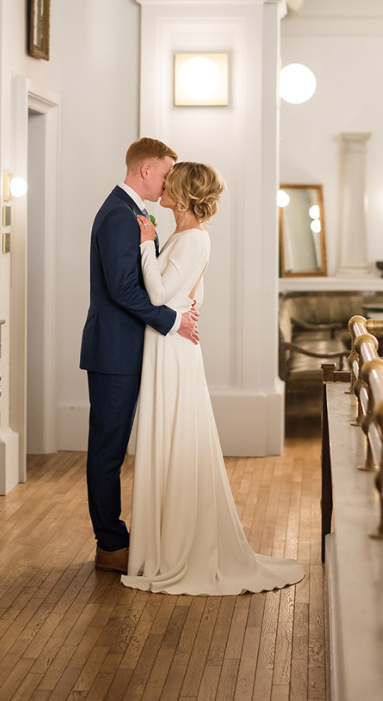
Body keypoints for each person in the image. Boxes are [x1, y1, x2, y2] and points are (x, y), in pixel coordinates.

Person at [123, 161, 303, 595]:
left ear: (182, 194)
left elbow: (159, 294)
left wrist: (146, 246)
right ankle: (163, 544)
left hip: (173, 350)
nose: (163, 186)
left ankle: (177, 548)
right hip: (168, 343)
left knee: (176, 435)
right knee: (169, 436)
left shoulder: (193, 239)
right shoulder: (185, 236)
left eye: (171, 182)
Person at [82, 137, 200, 573]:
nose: (170, 180)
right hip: (114, 351)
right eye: (167, 172)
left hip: (132, 348)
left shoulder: (134, 211)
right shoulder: (118, 214)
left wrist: (180, 309)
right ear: (146, 170)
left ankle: (124, 539)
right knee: (108, 451)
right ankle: (111, 545)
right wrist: (172, 321)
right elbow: (123, 290)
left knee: (118, 449)